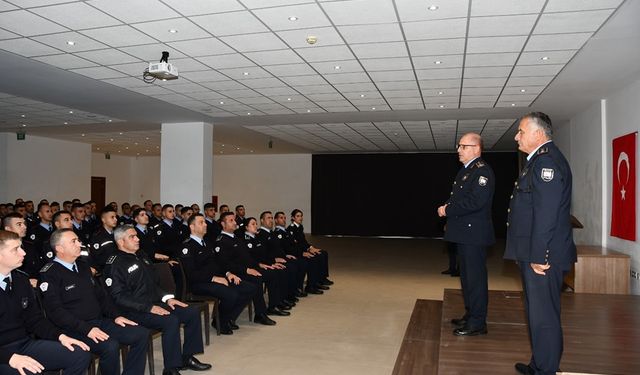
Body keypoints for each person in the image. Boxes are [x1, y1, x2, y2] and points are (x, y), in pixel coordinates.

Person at [505, 112, 576, 375]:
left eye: (521, 131)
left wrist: (539, 254)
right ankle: (540, 364)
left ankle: (546, 370)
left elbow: (546, 214)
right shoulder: (538, 162)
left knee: (544, 317)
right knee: (537, 314)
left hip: (543, 256)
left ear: (538, 134)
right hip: (537, 252)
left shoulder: (547, 164)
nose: (516, 136)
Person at [103, 225, 211, 375]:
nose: (137, 239)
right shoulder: (114, 264)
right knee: (170, 320)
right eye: (132, 237)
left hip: (153, 303)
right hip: (133, 310)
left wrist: (167, 299)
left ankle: (186, 358)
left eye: (136, 235)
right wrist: (148, 308)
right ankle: (171, 368)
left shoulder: (141, 255)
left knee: (190, 312)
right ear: (121, 242)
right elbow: (118, 297)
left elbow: (153, 284)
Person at [39, 229, 149, 375]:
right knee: (110, 346)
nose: (80, 244)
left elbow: (102, 297)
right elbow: (56, 312)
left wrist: (116, 316)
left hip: (99, 322)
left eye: (78, 240)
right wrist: (86, 329)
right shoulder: (49, 273)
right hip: (73, 329)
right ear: (59, 248)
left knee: (140, 334)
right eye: (74, 241)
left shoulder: (83, 266)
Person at [0, 230, 91, 375]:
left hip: (24, 343)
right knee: (30, 371)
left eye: (21, 247)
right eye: (15, 249)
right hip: (3, 354)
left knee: (79, 355)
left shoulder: (21, 279)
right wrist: (9, 358)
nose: (23, 253)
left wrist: (61, 337)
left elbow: (35, 320)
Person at [437, 132, 495, 336]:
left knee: (476, 279)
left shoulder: (482, 172)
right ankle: (471, 315)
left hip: (474, 235)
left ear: (476, 149)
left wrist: (447, 210)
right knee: (467, 278)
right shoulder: (466, 171)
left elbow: (475, 202)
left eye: (463, 146)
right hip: (464, 233)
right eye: (459, 146)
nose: (458, 150)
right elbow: (460, 197)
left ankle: (478, 322)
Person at [179, 214, 257, 334]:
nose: (205, 224)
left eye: (205, 222)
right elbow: (191, 274)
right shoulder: (187, 246)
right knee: (231, 294)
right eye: (201, 222)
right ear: (192, 227)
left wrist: (228, 274)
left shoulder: (207, 243)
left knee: (249, 288)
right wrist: (213, 278)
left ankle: (227, 318)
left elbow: (217, 264)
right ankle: (221, 322)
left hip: (215, 279)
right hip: (198, 284)